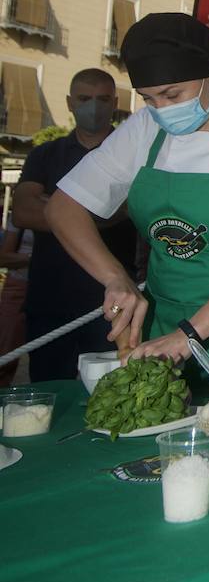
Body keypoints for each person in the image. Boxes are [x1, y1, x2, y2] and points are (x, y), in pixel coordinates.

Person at [44, 14, 209, 406]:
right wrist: (115, 277)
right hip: (165, 324)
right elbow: (63, 207)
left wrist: (188, 335)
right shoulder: (144, 129)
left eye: (172, 95)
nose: (161, 110)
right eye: (149, 99)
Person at [12, 69, 138, 383]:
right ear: (70, 103)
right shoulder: (44, 154)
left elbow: (124, 211)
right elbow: (23, 212)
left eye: (102, 99)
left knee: (112, 393)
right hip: (50, 301)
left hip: (112, 303)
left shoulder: (132, 155)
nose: (93, 106)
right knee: (49, 392)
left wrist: (58, 205)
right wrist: (88, 210)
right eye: (84, 98)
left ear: (115, 103)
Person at [0, 218, 32, 387]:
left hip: (54, 288)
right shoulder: (21, 216)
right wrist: (35, 258)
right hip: (19, 285)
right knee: (6, 350)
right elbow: (3, 257)